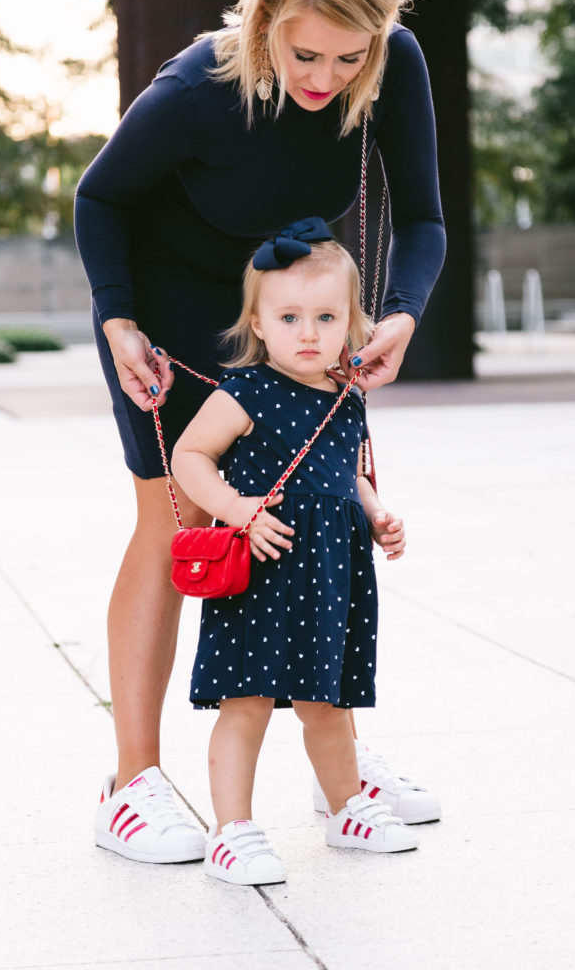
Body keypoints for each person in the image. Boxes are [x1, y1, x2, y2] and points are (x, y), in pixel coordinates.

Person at [77, 0, 446, 864]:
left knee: (316, 509)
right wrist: (119, 322)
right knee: (181, 520)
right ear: (266, 20)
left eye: (349, 56)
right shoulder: (198, 87)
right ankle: (130, 785)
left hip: (289, 308)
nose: (328, 77)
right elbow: (100, 196)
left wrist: (400, 314)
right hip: (165, 311)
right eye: (305, 54)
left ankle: (338, 766)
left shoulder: (392, 60)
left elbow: (426, 217)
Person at [171, 227, 418, 884]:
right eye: (288, 318)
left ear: (351, 323)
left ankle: (346, 810)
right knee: (245, 701)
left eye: (325, 317)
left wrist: (375, 514)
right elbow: (187, 457)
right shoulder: (243, 392)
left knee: (329, 706)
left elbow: (345, 473)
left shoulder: (347, 397)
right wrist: (238, 508)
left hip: (330, 576)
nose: (307, 333)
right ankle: (232, 832)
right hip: (261, 575)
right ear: (258, 321)